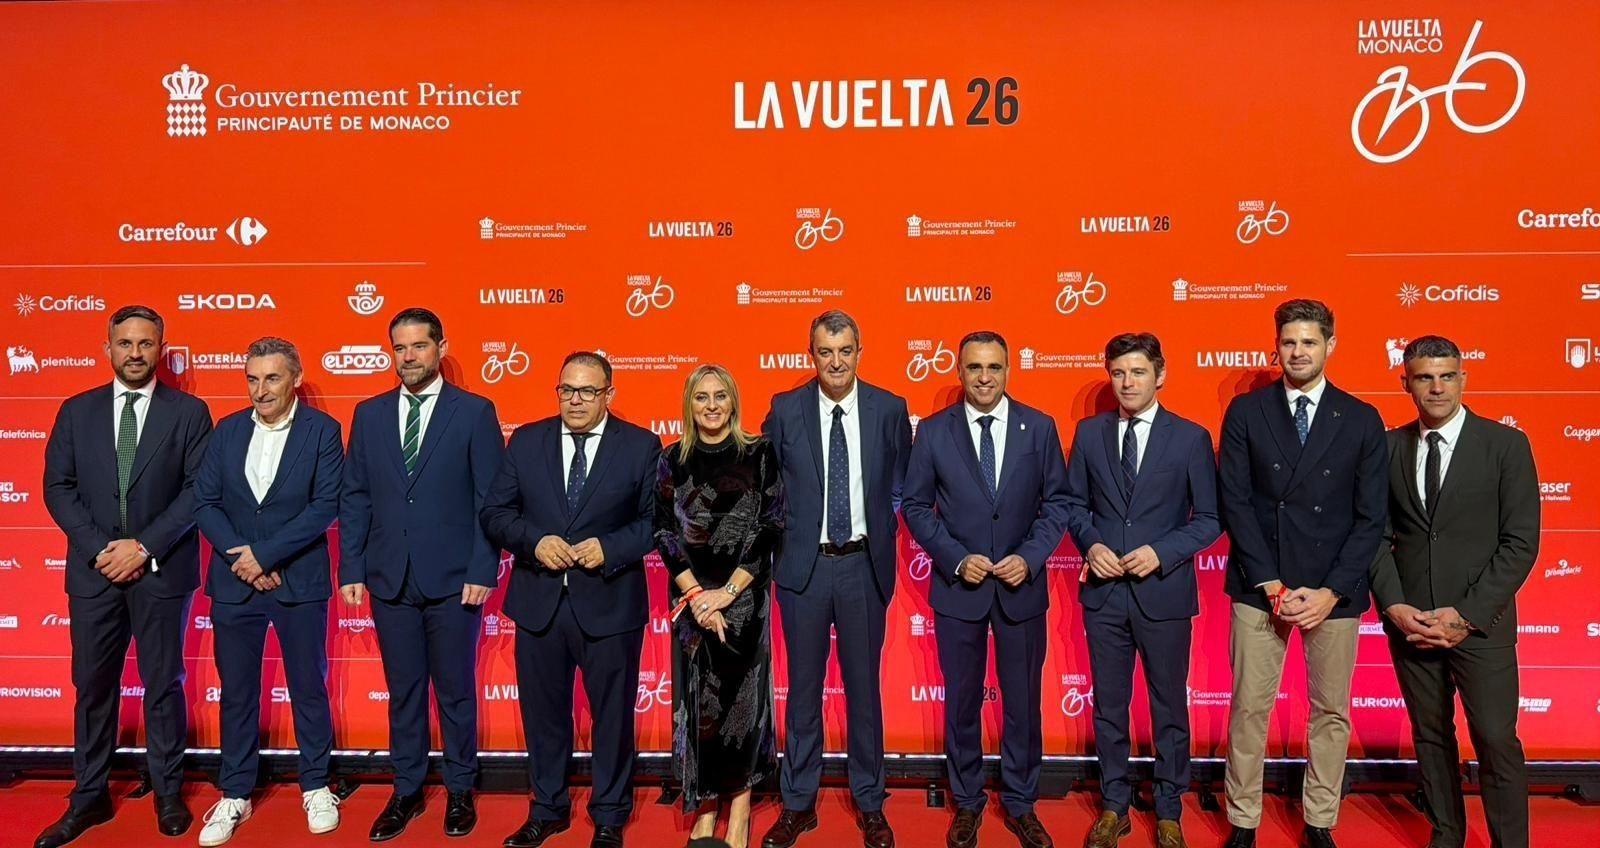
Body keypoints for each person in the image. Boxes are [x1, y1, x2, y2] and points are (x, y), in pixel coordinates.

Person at [36, 305, 214, 848]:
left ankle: (166, 792)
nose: (135, 353)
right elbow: (57, 488)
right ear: (107, 347)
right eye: (125, 343)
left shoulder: (189, 412)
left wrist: (142, 547)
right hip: (94, 575)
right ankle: (87, 796)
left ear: (161, 348)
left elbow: (197, 491)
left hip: (161, 570)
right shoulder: (76, 411)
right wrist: (101, 551)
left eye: (145, 343)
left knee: (164, 684)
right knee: (92, 687)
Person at [1218, 300, 1386, 848]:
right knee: (1248, 708)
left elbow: (1370, 516)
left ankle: (1319, 819)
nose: (1298, 351)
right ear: (1277, 346)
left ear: (1329, 345)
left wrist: (1331, 590)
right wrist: (1271, 583)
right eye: (1289, 342)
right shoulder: (1246, 412)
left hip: (1332, 590)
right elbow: (1235, 502)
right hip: (1258, 584)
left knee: (1331, 711)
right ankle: (1243, 820)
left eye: (1309, 342)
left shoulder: (1361, 418)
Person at [481, 351, 660, 848]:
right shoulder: (527, 440)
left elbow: (655, 524)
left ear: (609, 393)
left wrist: (610, 548)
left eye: (587, 391)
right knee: (543, 716)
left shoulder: (642, 446)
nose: (575, 400)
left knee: (613, 717)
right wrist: (533, 541)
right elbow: (496, 512)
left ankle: (609, 815)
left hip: (611, 603)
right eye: (566, 390)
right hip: (539, 603)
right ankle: (548, 809)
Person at [339, 308, 504, 840]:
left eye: (418, 347)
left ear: (440, 347)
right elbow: (356, 496)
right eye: (400, 348)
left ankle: (460, 788)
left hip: (455, 579)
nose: (408, 357)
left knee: (454, 691)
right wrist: (352, 566)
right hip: (389, 577)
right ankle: (406, 790)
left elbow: (490, 500)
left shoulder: (475, 412)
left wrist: (484, 565)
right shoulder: (368, 414)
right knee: (403, 690)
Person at [901, 331, 1070, 848]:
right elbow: (913, 507)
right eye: (974, 367)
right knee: (962, 702)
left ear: (1008, 369)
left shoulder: (1039, 428)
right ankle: (968, 801)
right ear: (959, 370)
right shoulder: (932, 432)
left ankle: (1020, 802)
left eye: (993, 367)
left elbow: (1058, 503)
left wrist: (1030, 556)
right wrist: (955, 559)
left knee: (1023, 703)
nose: (984, 377)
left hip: (1022, 589)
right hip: (960, 591)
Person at [1370, 335, 1539, 848]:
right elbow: (1374, 538)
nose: (1436, 387)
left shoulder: (1505, 445)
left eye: (1446, 375)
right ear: (1406, 383)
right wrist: (1396, 608)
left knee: (1494, 738)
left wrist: (1464, 615)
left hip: (1479, 626)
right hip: (1413, 625)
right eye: (1424, 377)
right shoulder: (1388, 447)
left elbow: (1520, 542)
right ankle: (1447, 834)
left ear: (1464, 378)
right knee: (1431, 738)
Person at [760, 311, 911, 848]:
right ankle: (797, 803)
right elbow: (765, 490)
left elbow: (903, 484)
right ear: (811, 355)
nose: (836, 361)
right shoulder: (784, 409)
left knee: (865, 691)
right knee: (802, 692)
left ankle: (871, 803)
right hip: (803, 568)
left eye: (845, 350)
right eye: (826, 351)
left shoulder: (890, 409)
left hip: (863, 567)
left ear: (860, 350)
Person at [1064, 333, 1220, 848]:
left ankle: (1169, 807)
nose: (1127, 383)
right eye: (1118, 373)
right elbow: (1074, 507)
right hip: (1105, 595)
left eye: (1137, 372)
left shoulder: (1191, 438)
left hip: (1164, 591)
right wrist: (1090, 544)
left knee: (1169, 706)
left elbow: (1211, 519)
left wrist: (1164, 552)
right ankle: (1114, 805)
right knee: (1109, 704)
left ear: (1161, 374)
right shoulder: (1088, 435)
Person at [192, 337, 345, 846]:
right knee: (237, 691)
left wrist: (269, 555)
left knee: (307, 686)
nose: (261, 389)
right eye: (252, 379)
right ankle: (234, 791)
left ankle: (317, 784)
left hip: (298, 580)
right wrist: (245, 557)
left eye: (272, 378)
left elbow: (325, 505)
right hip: (236, 582)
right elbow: (206, 502)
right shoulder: (227, 429)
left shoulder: (323, 431)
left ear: (296, 378)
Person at [654, 364, 784, 848]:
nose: (711, 406)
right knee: (700, 705)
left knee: (743, 706)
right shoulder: (673, 459)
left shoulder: (759, 452)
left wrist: (726, 595)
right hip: (691, 601)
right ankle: (706, 808)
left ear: (734, 402)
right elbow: (663, 530)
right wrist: (695, 596)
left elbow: (770, 526)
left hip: (744, 598)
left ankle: (743, 810)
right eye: (701, 398)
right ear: (689, 404)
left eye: (720, 397)